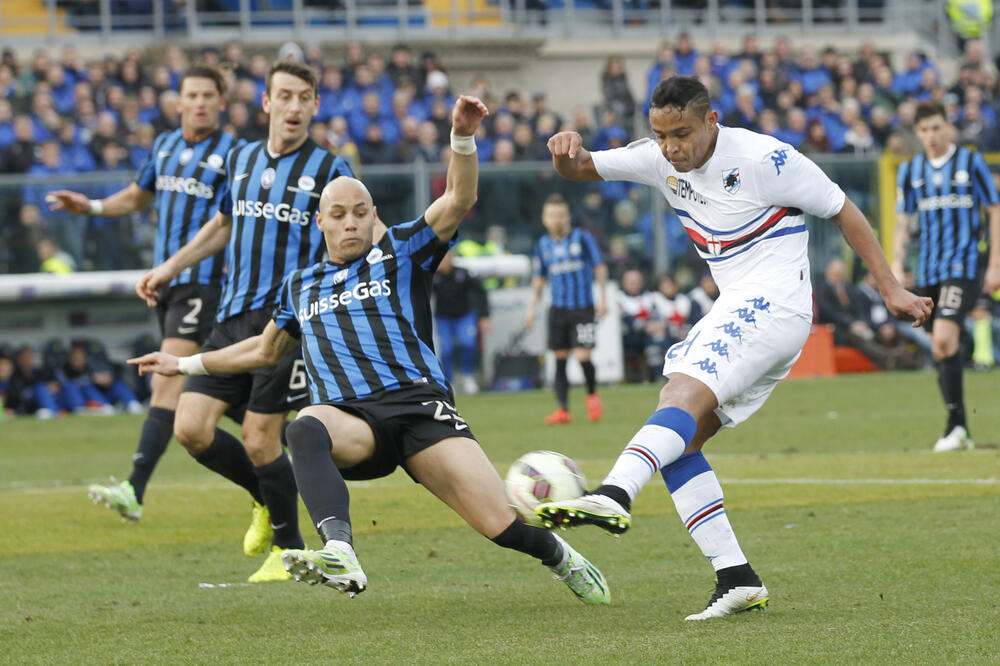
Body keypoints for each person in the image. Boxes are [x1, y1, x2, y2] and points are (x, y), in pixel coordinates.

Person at [128, 95, 609, 605]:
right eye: (338, 214)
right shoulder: (301, 285)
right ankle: (340, 550)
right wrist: (182, 363)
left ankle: (561, 557)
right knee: (305, 427)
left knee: (499, 524)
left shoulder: (402, 250)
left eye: (360, 212)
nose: (351, 222)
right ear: (321, 223)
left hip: (421, 410)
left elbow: (459, 200)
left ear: (373, 215)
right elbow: (264, 350)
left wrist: (462, 137)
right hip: (353, 420)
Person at [537, 75, 932, 620]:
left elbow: (843, 209)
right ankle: (736, 576)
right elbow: (580, 169)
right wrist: (565, 151)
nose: (672, 147)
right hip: (743, 309)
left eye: (682, 133)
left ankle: (614, 492)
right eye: (661, 135)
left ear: (712, 121)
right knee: (683, 436)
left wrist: (889, 286)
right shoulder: (658, 159)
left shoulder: (767, 159)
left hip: (773, 304)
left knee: (680, 392)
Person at [134, 60, 356, 583]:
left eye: (305, 97)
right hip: (231, 313)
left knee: (262, 438)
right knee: (190, 429)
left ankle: (287, 548)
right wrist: (168, 267)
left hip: (285, 323)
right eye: (285, 96)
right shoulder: (241, 157)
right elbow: (222, 224)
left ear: (315, 105)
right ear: (266, 102)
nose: (294, 106)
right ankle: (265, 496)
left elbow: (362, 229)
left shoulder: (331, 170)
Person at [47, 65, 240, 524]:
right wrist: (91, 206)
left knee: (166, 380)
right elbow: (137, 195)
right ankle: (293, 445)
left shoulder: (235, 154)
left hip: (206, 282)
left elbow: (239, 218)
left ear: (221, 103)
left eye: (207, 96)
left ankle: (134, 489)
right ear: (177, 102)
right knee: (218, 392)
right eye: (190, 95)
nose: (198, 103)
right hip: (168, 284)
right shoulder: (165, 145)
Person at [892, 99, 1000, 452]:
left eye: (936, 127)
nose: (931, 135)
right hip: (927, 270)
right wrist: (896, 265)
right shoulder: (911, 171)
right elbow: (903, 223)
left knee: (942, 338)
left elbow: (994, 209)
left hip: (964, 266)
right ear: (917, 132)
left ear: (948, 126)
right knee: (942, 349)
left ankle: (955, 428)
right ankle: (959, 427)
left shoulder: (971, 162)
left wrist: (996, 263)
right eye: (924, 130)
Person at [524, 194, 608, 425]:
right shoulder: (542, 245)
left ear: (568, 216)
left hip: (582, 307)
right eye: (552, 215)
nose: (557, 219)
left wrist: (603, 298)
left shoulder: (583, 238)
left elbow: (599, 267)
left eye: (560, 215)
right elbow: (539, 279)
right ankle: (562, 409)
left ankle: (592, 395)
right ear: (544, 219)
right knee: (559, 358)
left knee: (583, 355)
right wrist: (532, 309)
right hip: (558, 309)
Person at [432, 250, 491, 394]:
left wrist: (484, 316)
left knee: (468, 344)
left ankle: (467, 376)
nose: (444, 261)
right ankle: (449, 381)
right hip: (444, 318)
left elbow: (481, 292)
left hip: (464, 316)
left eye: (446, 257)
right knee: (445, 349)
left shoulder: (463, 274)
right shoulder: (432, 277)